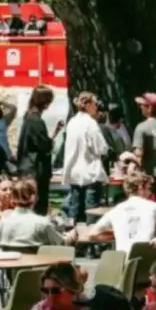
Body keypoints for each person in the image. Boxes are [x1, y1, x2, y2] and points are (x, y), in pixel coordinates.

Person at [60, 91, 108, 222]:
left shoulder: (72, 122)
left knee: (74, 207)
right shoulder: (91, 124)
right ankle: (90, 237)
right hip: (90, 171)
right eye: (95, 103)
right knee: (91, 209)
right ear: (88, 105)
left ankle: (71, 232)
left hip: (74, 171)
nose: (96, 107)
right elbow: (101, 148)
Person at [91, 172, 156, 253]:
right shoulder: (153, 207)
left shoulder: (116, 210)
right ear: (140, 188)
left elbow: (92, 234)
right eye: (149, 188)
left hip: (123, 259)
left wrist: (116, 234)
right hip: (147, 258)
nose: (151, 193)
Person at [0, 177, 66, 249]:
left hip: (10, 259)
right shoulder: (42, 222)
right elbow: (61, 243)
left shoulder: (3, 221)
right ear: (35, 198)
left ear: (12, 199)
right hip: (39, 260)